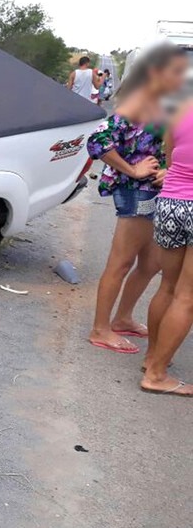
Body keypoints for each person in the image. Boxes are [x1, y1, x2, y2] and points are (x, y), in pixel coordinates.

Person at [85, 43, 188, 354]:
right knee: (121, 261)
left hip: (154, 191)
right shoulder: (140, 102)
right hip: (135, 191)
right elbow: (98, 140)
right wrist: (134, 169)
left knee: (152, 263)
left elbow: (168, 148)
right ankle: (101, 328)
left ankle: (123, 318)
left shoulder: (163, 103)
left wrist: (165, 170)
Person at [144, 99, 193, 396]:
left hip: (171, 204)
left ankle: (152, 357)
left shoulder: (184, 109)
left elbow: (171, 159)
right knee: (187, 298)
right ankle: (156, 374)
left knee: (167, 287)